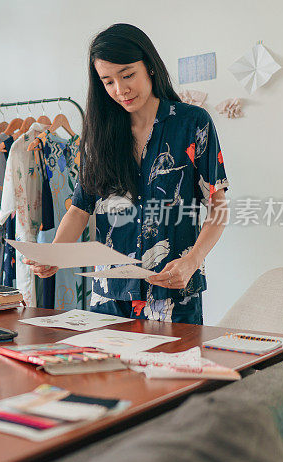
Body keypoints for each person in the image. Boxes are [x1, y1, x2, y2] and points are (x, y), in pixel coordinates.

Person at [27, 23, 228, 324]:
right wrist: (55, 256)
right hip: (109, 296)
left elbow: (218, 207)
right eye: (108, 81)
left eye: (127, 75)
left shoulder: (192, 123)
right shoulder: (99, 134)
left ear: (149, 66)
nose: (120, 90)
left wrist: (192, 261)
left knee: (171, 370)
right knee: (108, 372)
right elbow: (81, 208)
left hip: (173, 294)